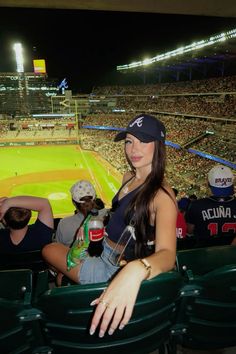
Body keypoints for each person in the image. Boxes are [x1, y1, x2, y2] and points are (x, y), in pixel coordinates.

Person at [42, 114, 177, 337]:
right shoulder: (127, 177)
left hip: (116, 267)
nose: (133, 149)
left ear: (159, 145)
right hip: (100, 247)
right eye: (129, 141)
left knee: (49, 251)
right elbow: (118, 215)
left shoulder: (162, 196)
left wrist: (136, 269)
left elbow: (167, 254)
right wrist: (89, 226)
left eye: (143, 141)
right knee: (54, 259)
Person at [185, 164, 236, 246]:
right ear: (231, 183)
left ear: (209, 184)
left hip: (203, 253)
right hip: (232, 254)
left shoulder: (196, 205)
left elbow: (189, 230)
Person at [55, 180, 96, 246]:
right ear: (94, 199)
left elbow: (58, 247)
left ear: (74, 203)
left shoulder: (64, 224)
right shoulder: (107, 218)